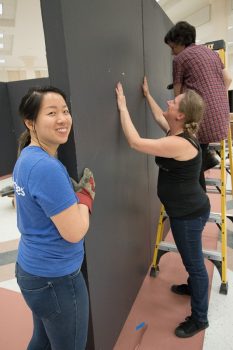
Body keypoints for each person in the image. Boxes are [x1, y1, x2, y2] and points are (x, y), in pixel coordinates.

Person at [115, 78, 210, 338]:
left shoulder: (179, 143)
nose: (169, 101)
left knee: (195, 265)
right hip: (189, 210)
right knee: (194, 261)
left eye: (174, 101)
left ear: (180, 115)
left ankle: (200, 318)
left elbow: (135, 142)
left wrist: (123, 107)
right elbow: (160, 114)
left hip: (188, 215)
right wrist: (146, 95)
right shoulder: (175, 131)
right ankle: (194, 287)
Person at [13, 86, 95, 350]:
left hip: (32, 271)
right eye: (51, 113)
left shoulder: (26, 157)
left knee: (43, 340)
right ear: (30, 122)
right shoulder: (46, 167)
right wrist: (86, 197)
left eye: (65, 111)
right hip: (57, 280)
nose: (62, 118)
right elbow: (75, 232)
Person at [164, 21, 232, 190]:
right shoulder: (212, 54)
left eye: (173, 48)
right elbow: (228, 79)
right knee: (197, 147)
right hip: (222, 119)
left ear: (181, 42)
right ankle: (206, 156)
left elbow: (178, 97)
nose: (172, 53)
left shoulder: (180, 59)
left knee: (189, 160)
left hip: (203, 123)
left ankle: (197, 199)